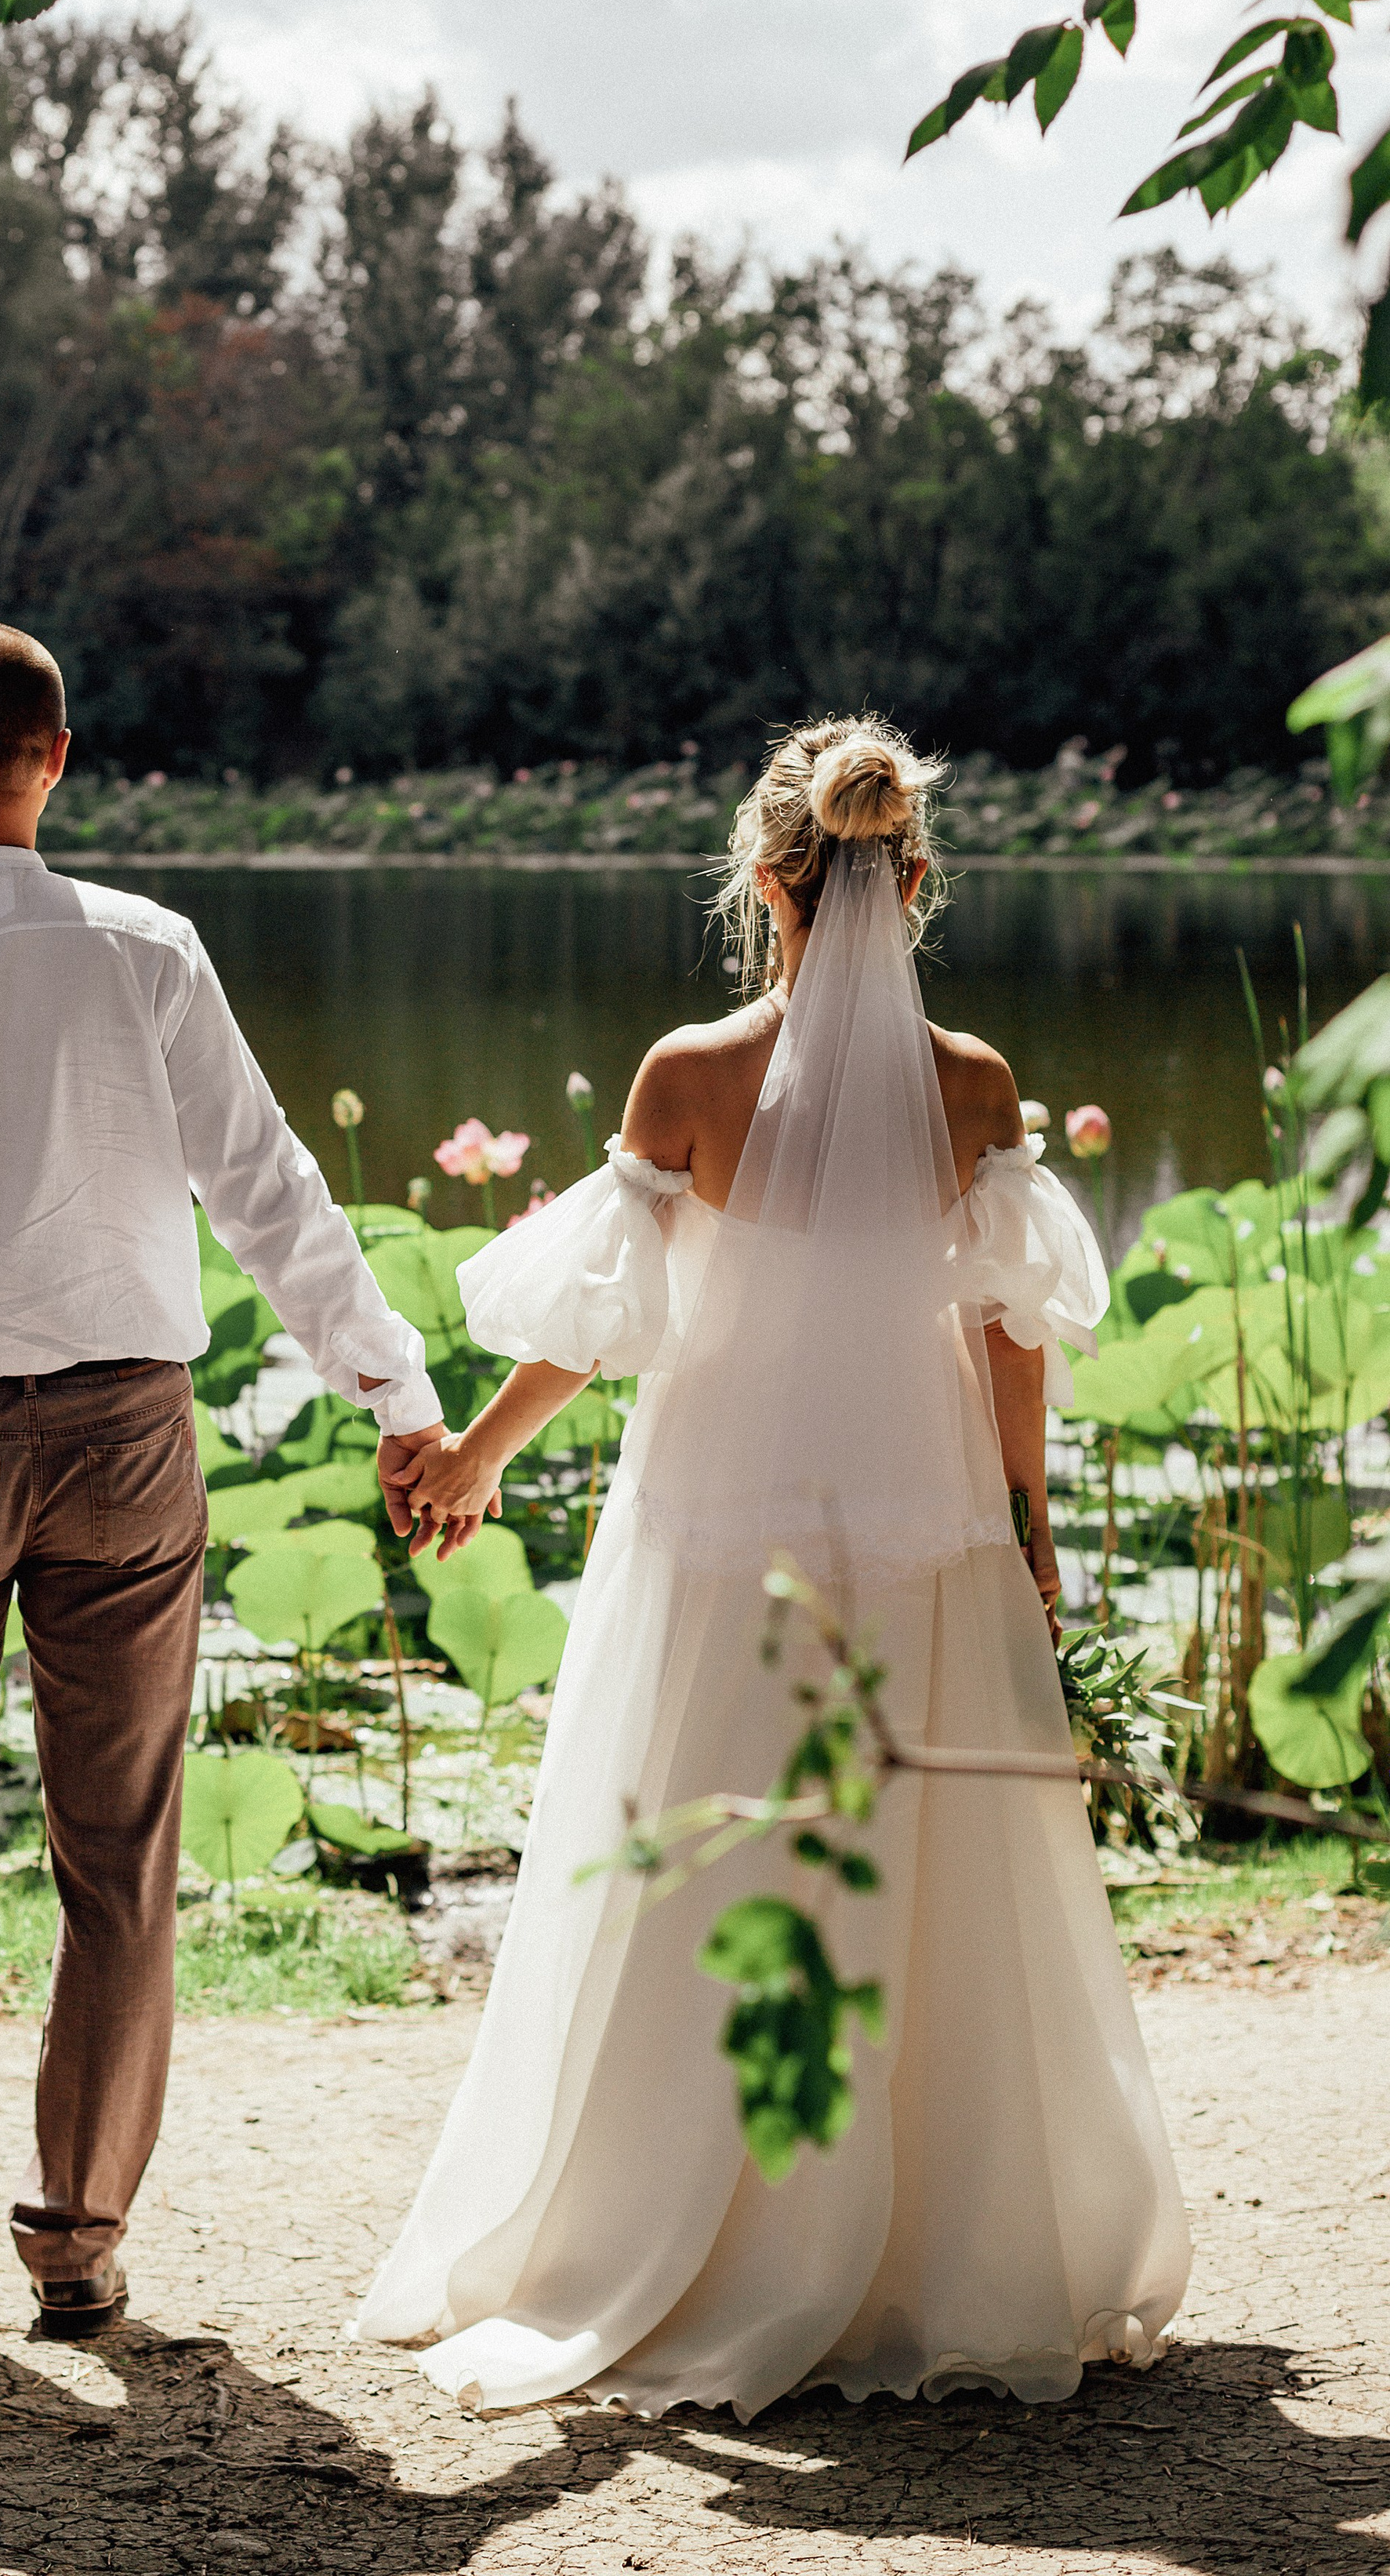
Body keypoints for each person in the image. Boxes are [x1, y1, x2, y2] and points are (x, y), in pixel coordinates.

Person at [363, 716, 1190, 2419]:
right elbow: (1009, 1330)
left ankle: (678, 2227)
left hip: (720, 1525)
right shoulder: (974, 1086)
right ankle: (944, 2248)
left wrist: (466, 1461)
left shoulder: (686, 1074)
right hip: (923, 1515)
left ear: (764, 877)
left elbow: (597, 1334)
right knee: (928, 1865)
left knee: (693, 1856)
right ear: (915, 879)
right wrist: (1024, 1527)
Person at [0, 622, 443, 2333]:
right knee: (115, 1847)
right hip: (129, 1433)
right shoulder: (148, 951)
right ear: (56, 755)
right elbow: (267, 1193)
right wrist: (392, 1389)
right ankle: (79, 2246)